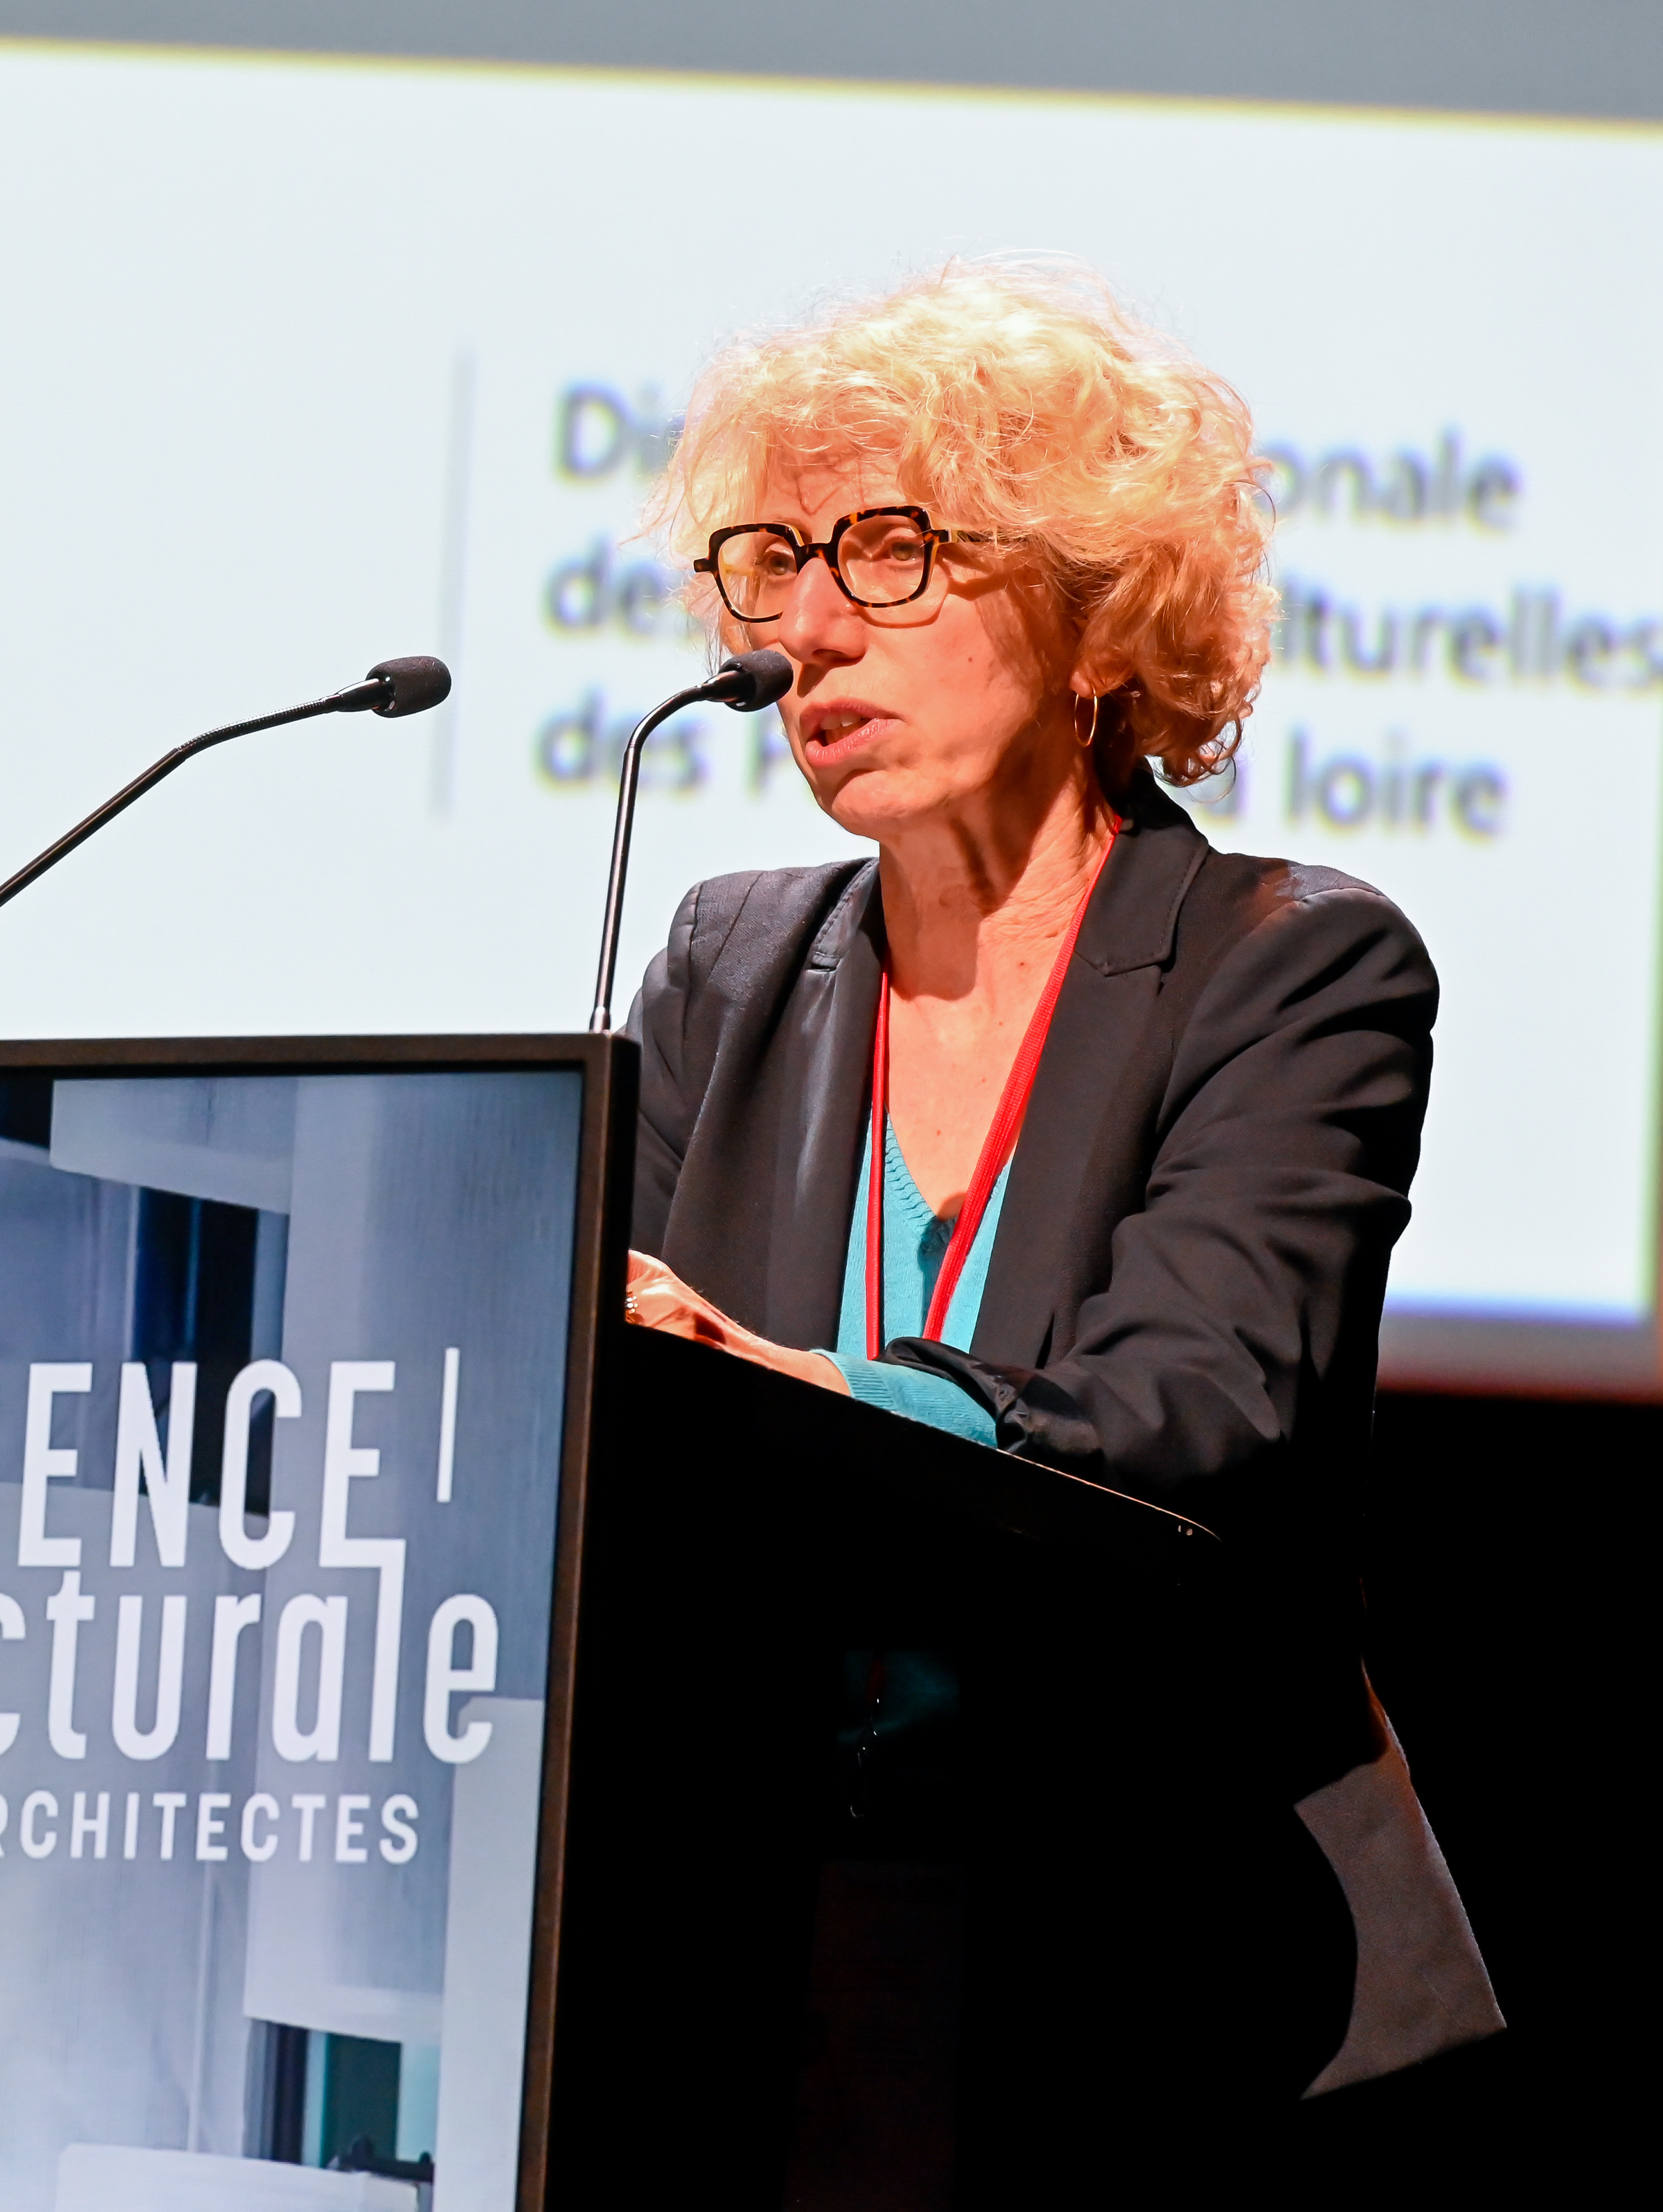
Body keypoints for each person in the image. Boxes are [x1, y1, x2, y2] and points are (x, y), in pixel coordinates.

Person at [618, 263, 1502, 2160]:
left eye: (890, 553)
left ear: (1096, 617)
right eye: (772, 563)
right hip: (758, 1945)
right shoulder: (721, 969)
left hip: (1161, 1955)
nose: (807, 631)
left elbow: (1190, 1412)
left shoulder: (1290, 967)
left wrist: (778, 1389)